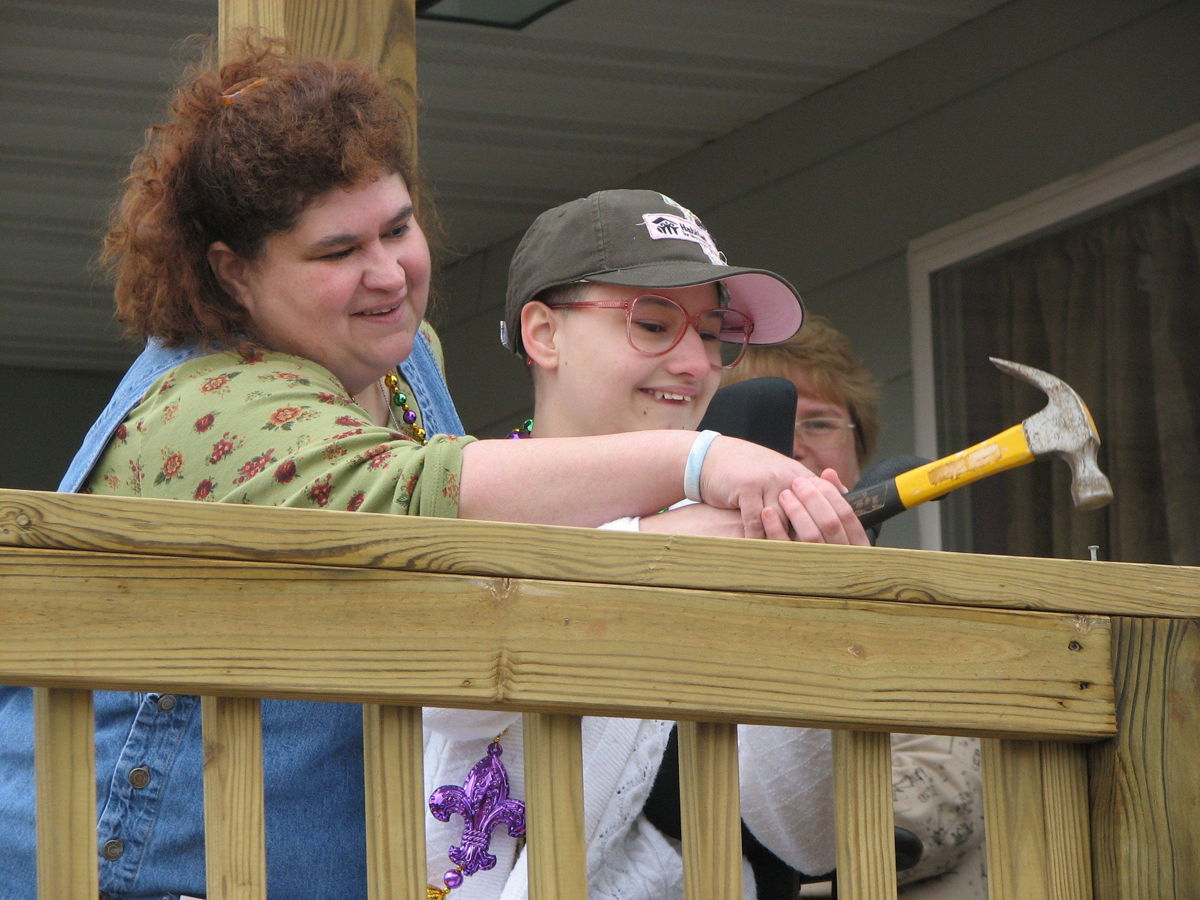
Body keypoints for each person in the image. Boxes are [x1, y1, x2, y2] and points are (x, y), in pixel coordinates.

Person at [0, 38, 866, 900]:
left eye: (399, 228)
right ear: (235, 272)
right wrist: (700, 467)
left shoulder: (403, 360)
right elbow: (418, 503)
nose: (387, 274)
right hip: (144, 876)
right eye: (337, 252)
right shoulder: (210, 401)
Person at [423, 189, 870, 900]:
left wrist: (819, 618)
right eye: (655, 323)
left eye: (714, 332)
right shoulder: (448, 492)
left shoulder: (725, 538)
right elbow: (453, 696)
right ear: (544, 335)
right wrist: (654, 548)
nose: (698, 363)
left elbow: (804, 837)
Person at [723, 319, 987, 898]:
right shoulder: (677, 604)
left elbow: (939, 806)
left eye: (817, 423)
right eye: (768, 427)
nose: (792, 447)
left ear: (858, 451)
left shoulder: (926, 613)